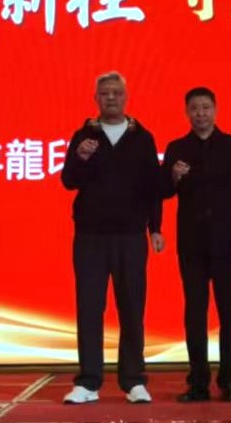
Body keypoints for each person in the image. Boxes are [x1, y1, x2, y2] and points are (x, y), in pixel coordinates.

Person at [61, 72, 164, 405]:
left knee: (132, 307)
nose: (111, 98)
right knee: (89, 308)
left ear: (126, 97)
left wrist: (155, 228)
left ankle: (133, 380)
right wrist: (81, 157)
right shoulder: (83, 136)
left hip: (131, 235)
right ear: (96, 99)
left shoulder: (142, 137)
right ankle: (88, 382)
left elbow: (153, 188)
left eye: (116, 93)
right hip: (90, 236)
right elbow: (68, 180)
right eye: (104, 93)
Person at [162, 87, 231, 403]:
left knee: (229, 313)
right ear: (186, 113)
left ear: (215, 110)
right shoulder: (177, 148)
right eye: (194, 108)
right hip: (191, 243)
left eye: (205, 107)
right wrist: (173, 177)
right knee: (195, 313)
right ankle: (198, 383)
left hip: (227, 241)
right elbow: (162, 192)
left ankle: (230, 382)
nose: (200, 113)